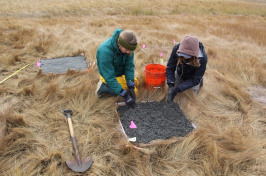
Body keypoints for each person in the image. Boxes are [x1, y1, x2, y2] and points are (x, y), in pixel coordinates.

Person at [96, 28, 138, 105]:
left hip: (119, 74)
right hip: (107, 76)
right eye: (127, 50)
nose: (129, 52)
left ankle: (119, 88)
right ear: (120, 44)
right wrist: (124, 95)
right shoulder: (104, 51)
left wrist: (131, 86)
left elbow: (129, 67)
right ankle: (102, 87)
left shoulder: (128, 49)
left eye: (130, 50)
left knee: (134, 86)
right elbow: (109, 77)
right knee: (118, 91)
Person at [166, 35, 208, 101]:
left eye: (188, 56)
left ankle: (200, 82)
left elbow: (196, 79)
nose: (185, 57)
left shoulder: (202, 58)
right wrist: (171, 83)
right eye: (183, 55)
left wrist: (179, 88)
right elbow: (170, 67)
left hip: (193, 77)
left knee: (189, 97)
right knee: (173, 90)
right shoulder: (176, 49)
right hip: (180, 73)